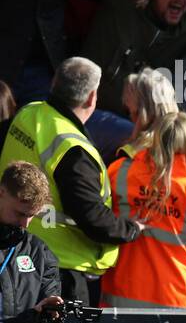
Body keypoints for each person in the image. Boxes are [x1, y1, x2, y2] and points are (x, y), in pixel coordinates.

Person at [0, 58, 143, 304]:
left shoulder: (28, 113)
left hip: (17, 252)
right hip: (58, 271)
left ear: (54, 83)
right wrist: (131, 229)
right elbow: (91, 216)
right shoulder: (73, 148)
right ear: (91, 97)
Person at [100, 112, 186, 309]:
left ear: (155, 139)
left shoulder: (120, 171)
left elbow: (99, 219)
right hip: (179, 297)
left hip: (123, 291)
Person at [0, 160, 63, 323]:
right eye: (20, 213)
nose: (25, 224)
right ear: (1, 193)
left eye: (31, 216)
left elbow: (47, 320)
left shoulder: (39, 252)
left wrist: (44, 315)